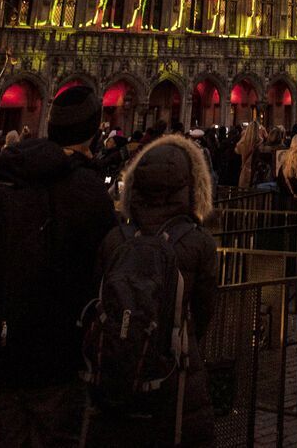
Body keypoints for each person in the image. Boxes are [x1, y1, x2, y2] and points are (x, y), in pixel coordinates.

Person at [0, 85, 118, 448]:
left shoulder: (6, 174)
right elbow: (106, 272)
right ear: (94, 131)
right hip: (59, 361)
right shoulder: (88, 190)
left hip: (1, 360)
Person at [98, 133, 219, 448]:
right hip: (177, 371)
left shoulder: (115, 238)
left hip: (115, 368)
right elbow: (206, 309)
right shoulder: (198, 241)